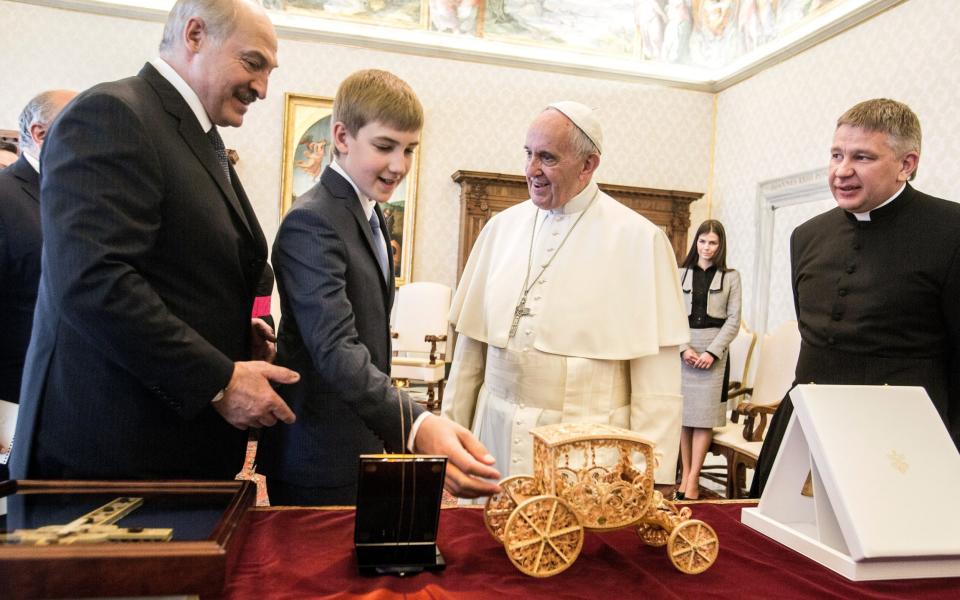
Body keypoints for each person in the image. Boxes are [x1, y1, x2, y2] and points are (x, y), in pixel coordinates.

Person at [10, 0, 299, 481]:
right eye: (253, 63)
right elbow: (94, 280)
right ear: (193, 36)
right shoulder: (112, 114)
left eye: (269, 71)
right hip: (109, 459)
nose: (263, 89)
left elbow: (181, 276)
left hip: (166, 449)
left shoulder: (193, 137)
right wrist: (220, 380)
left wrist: (236, 335)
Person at [258, 69, 501, 506]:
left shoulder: (369, 214)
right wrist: (416, 425)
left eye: (409, 150)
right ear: (342, 136)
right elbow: (335, 348)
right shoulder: (312, 220)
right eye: (385, 146)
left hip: (358, 440)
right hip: (319, 454)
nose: (400, 165)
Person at [442, 101, 689, 488]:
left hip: (587, 449)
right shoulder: (499, 230)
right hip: (494, 433)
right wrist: (451, 436)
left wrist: (652, 475)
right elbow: (472, 351)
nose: (531, 169)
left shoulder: (639, 240)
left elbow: (655, 377)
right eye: (528, 154)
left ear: (588, 164)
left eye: (547, 157)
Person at [751, 98, 960, 496]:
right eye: (836, 155)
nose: (842, 171)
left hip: (903, 442)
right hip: (805, 432)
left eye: (862, 157)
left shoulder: (952, 233)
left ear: (906, 164)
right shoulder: (807, 236)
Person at [0, 90, 75, 405]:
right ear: (40, 133)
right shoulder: (5, 196)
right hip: (13, 388)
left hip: (66, 385)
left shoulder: (78, 197)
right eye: (80, 126)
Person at [676, 219, 741, 500]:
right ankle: (685, 475)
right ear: (696, 242)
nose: (707, 247)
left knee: (702, 419)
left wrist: (711, 352)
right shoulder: (679, 273)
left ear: (720, 245)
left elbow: (734, 320)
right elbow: (671, 314)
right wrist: (683, 348)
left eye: (713, 242)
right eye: (703, 241)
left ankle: (692, 480)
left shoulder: (731, 276)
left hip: (713, 351)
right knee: (684, 416)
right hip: (685, 348)